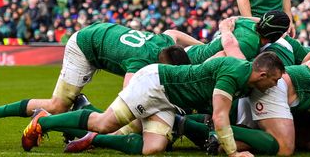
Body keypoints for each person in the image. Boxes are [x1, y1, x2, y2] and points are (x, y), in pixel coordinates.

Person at [21, 53, 285, 155]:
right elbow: (219, 117)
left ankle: (91, 139)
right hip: (155, 85)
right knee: (104, 122)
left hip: (168, 101)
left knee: (153, 148)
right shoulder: (236, 73)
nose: (272, 87)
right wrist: (234, 153)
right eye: (273, 81)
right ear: (262, 74)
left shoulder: (242, 75)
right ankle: (43, 120)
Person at [0, 23, 195, 139]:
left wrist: (200, 44)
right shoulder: (140, 62)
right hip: (84, 46)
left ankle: (80, 115)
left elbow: (173, 33)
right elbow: (128, 93)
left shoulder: (164, 43)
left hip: (102, 33)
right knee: (58, 106)